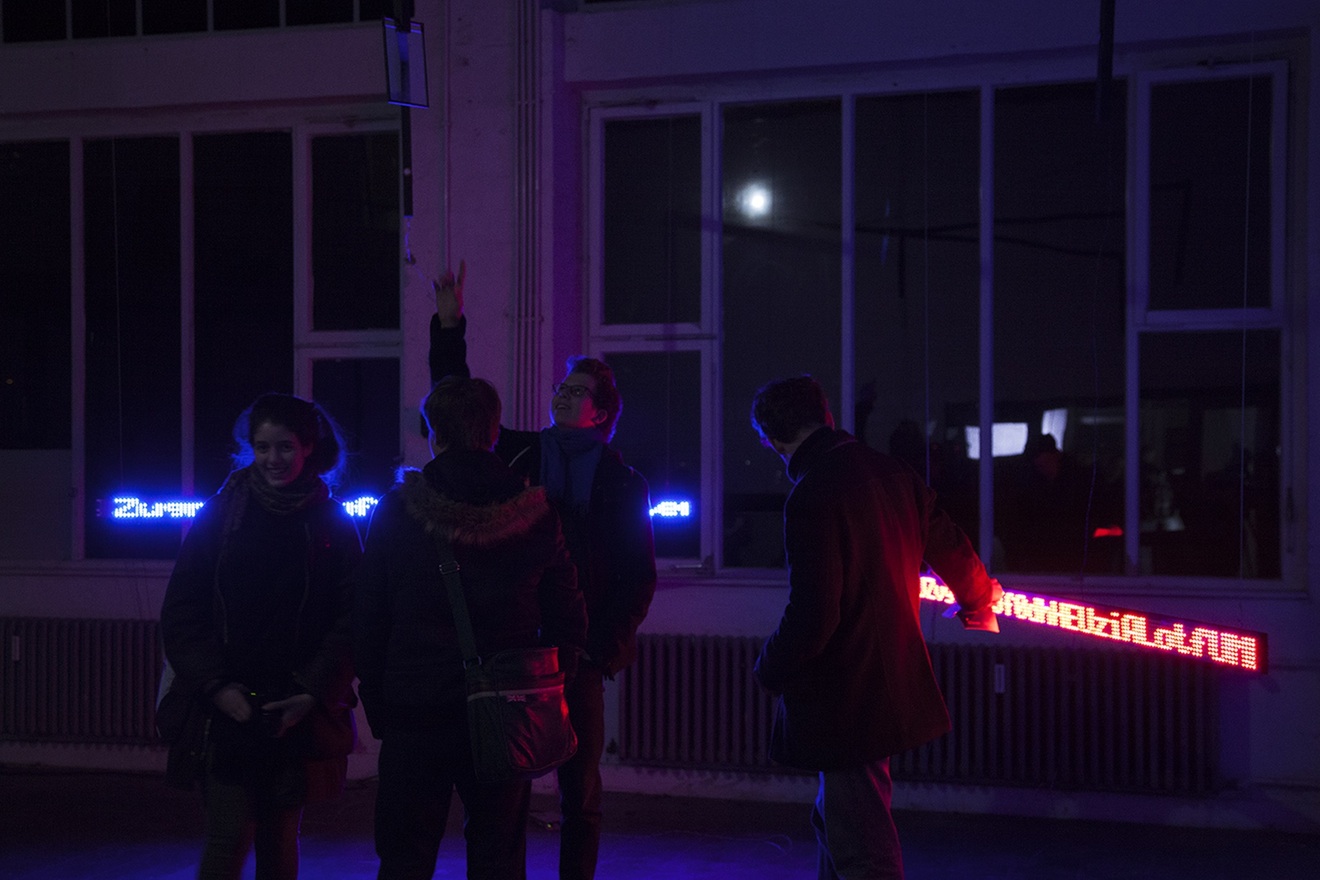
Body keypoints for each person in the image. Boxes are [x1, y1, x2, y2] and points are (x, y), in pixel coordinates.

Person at [429, 263, 657, 880]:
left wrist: (599, 651)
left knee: (580, 789)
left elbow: (638, 577)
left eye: (576, 390)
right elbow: (457, 407)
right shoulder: (520, 451)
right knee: (511, 782)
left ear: (602, 410)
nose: (561, 394)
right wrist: (450, 325)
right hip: (519, 646)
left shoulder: (622, 483)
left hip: (576, 654)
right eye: (563, 385)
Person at [749, 375, 1001, 880]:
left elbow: (814, 612)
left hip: (845, 693)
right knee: (840, 819)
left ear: (773, 441)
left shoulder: (811, 494)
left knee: (861, 845)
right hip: (890, 681)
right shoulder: (893, 473)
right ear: (828, 417)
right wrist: (977, 601)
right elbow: (949, 544)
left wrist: (769, 669)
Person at [353, 376, 588, 879]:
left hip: (415, 709)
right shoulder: (537, 512)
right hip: (507, 708)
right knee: (499, 854)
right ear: (495, 431)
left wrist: (378, 702)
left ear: (432, 433)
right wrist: (545, 689)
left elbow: (369, 615)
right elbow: (568, 618)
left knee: (405, 855)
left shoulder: (398, 511)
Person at [158, 392, 362, 880]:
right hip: (227, 708)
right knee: (230, 834)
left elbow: (353, 617)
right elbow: (182, 611)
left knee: (278, 837)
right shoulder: (221, 515)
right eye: (263, 447)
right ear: (250, 447)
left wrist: (310, 692)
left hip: (292, 709)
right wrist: (218, 688)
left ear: (308, 447)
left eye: (285, 447)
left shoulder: (330, 523)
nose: (273, 459)